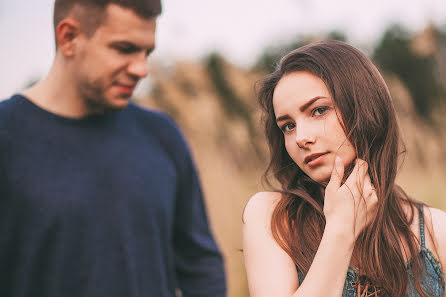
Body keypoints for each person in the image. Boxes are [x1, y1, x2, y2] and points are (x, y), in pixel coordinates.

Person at [0, 1, 226, 297]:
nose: (141, 69)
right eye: (125, 48)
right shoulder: (7, 135)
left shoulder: (162, 134)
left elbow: (201, 265)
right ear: (69, 37)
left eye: (147, 52)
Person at [243, 40, 446, 297]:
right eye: (288, 126)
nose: (300, 137)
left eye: (318, 110)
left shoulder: (435, 230)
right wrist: (340, 230)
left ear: (363, 107)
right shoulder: (272, 218)